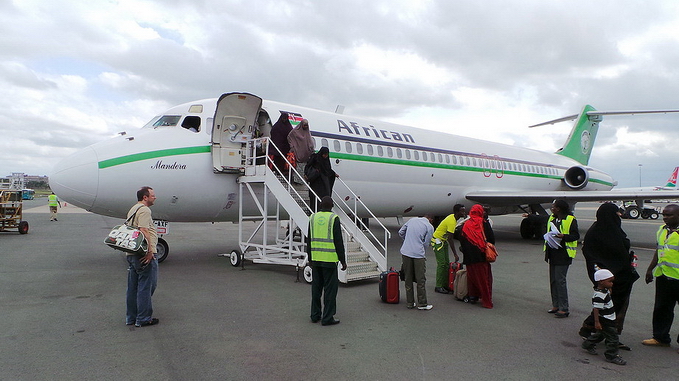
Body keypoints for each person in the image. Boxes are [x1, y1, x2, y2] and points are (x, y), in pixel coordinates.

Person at [579, 203, 639, 349]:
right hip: (608, 279)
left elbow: (620, 248)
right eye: (617, 213)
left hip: (623, 277)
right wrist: (602, 278)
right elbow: (592, 256)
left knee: (616, 307)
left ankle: (609, 335)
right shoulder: (596, 232)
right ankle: (592, 330)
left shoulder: (615, 229)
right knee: (607, 307)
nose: (619, 215)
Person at [642, 204, 679, 349]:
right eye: (664, 215)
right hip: (664, 276)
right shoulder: (661, 231)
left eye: (669, 215)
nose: (665, 218)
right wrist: (650, 269)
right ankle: (660, 337)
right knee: (661, 309)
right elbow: (658, 251)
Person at [307, 196, 347, 326]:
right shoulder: (333, 219)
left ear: (320, 205)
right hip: (329, 261)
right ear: (332, 206)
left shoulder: (312, 218)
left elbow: (309, 240)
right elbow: (338, 241)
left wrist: (310, 258)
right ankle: (327, 317)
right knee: (330, 291)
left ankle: (315, 315)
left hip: (316, 259)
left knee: (316, 289)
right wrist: (343, 260)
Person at [126, 186, 159, 327]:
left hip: (132, 252)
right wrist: (150, 251)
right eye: (152, 195)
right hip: (143, 253)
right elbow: (144, 229)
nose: (155, 197)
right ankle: (144, 318)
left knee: (133, 288)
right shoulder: (145, 210)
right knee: (146, 286)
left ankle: (131, 317)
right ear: (145, 197)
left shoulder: (133, 208)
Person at [581, 269, 627, 366]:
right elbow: (596, 309)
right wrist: (597, 322)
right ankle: (611, 356)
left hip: (609, 318)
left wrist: (608, 289)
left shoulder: (604, 290)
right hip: (605, 319)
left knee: (601, 335)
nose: (612, 284)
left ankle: (587, 344)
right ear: (601, 282)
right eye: (610, 281)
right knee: (613, 338)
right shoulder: (599, 295)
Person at [544, 199, 579, 318]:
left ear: (559, 208)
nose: (552, 208)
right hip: (552, 253)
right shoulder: (552, 218)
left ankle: (564, 308)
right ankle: (556, 305)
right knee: (553, 280)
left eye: (553, 206)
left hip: (564, 254)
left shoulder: (570, 219)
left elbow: (576, 236)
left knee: (560, 281)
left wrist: (564, 236)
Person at [454, 204, 495, 309]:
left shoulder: (466, 224)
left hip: (469, 257)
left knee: (472, 278)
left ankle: (473, 296)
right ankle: (486, 301)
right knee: (485, 280)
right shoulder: (483, 223)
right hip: (481, 256)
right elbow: (491, 238)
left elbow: (460, 238)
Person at [399, 214, 435, 310]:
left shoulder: (412, 220)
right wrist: (420, 248)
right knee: (420, 280)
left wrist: (407, 241)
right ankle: (422, 303)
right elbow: (427, 243)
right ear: (430, 219)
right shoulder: (429, 227)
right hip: (418, 254)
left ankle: (410, 303)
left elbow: (401, 232)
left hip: (405, 252)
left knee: (408, 278)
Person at [431, 204, 465, 294]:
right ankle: (438, 286)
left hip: (443, 240)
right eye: (462, 211)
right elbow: (450, 238)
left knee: (446, 264)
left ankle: (445, 284)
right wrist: (455, 254)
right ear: (457, 212)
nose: (464, 213)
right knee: (441, 264)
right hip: (438, 241)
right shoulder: (452, 221)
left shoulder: (453, 218)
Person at [305, 147, 337, 211]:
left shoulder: (326, 160)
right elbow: (308, 166)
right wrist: (307, 174)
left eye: (326, 155)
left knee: (325, 195)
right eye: (324, 154)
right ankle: (314, 210)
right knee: (315, 197)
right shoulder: (315, 157)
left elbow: (328, 169)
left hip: (324, 182)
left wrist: (334, 174)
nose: (325, 156)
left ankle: (323, 209)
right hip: (316, 181)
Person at [287, 118, 315, 184]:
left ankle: (302, 181)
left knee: (304, 168)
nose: (305, 127)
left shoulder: (307, 132)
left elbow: (310, 142)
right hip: (298, 153)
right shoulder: (295, 131)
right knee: (298, 167)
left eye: (306, 125)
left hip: (306, 154)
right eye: (304, 125)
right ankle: (297, 181)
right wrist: (293, 147)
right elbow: (289, 137)